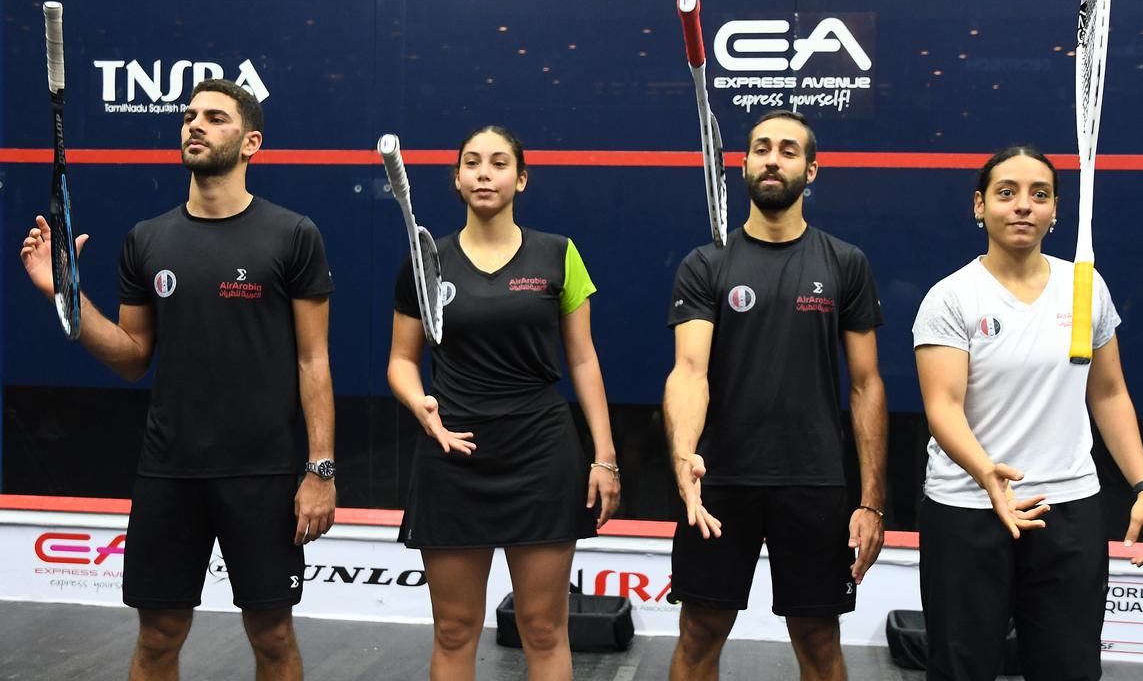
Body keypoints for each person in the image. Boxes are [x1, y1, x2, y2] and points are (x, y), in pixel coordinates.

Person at [20, 78, 337, 681]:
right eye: (189, 115)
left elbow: (313, 361)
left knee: (271, 636)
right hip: (170, 470)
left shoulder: (293, 235)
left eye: (215, 118)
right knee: (159, 637)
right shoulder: (147, 239)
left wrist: (320, 470)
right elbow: (132, 354)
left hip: (263, 472)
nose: (194, 124)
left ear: (251, 143)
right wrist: (66, 295)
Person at [912, 146, 1143, 681]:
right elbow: (943, 407)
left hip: (1067, 507)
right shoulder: (951, 298)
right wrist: (987, 475)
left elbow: (1110, 394)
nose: (1023, 206)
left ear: (1055, 211)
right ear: (979, 206)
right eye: (1006, 193)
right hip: (967, 511)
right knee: (962, 668)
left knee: (1069, 670)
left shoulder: (1084, 287)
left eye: (1040, 194)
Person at [386, 125, 620, 681]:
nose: (483, 173)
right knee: (453, 630)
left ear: (521, 179)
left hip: (541, 455)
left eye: (497, 163)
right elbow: (400, 360)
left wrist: (604, 456)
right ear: (457, 178)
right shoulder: (425, 261)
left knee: (542, 629)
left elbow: (583, 360)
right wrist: (419, 401)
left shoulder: (558, 254)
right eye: (471, 163)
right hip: (452, 454)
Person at [664, 110, 888, 681]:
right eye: (761, 148)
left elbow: (866, 386)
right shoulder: (705, 263)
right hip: (721, 480)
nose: (772, 158)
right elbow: (690, 372)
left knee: (817, 639)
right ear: (741, 165)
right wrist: (684, 455)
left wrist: (872, 501)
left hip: (813, 480)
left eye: (788, 150)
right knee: (699, 634)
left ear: (811, 170)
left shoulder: (846, 263)